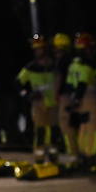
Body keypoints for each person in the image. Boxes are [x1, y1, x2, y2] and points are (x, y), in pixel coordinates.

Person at [17, 35, 61, 164]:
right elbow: (18, 83)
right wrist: (27, 94)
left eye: (40, 49)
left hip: (53, 103)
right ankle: (39, 159)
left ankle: (54, 158)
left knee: (54, 131)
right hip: (38, 104)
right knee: (40, 132)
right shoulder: (30, 68)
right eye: (36, 50)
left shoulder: (54, 66)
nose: (38, 52)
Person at [66, 32, 96, 173]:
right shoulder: (86, 67)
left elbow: (69, 85)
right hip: (89, 100)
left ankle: (82, 156)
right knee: (92, 131)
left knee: (83, 129)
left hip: (79, 102)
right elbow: (82, 84)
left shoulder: (73, 66)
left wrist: (74, 100)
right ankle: (91, 160)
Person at [52, 33, 78, 162]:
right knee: (74, 125)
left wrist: (55, 93)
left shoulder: (62, 61)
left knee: (66, 126)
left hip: (65, 97)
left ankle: (73, 155)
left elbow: (59, 78)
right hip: (75, 96)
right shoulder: (73, 59)